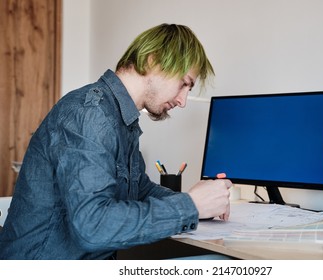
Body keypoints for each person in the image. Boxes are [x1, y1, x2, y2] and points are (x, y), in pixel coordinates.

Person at [0, 23, 232, 259]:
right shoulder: (90, 114)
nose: (183, 101)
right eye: (184, 83)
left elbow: (140, 189)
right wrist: (190, 207)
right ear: (152, 61)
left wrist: (200, 202)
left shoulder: (121, 119)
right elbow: (93, 226)